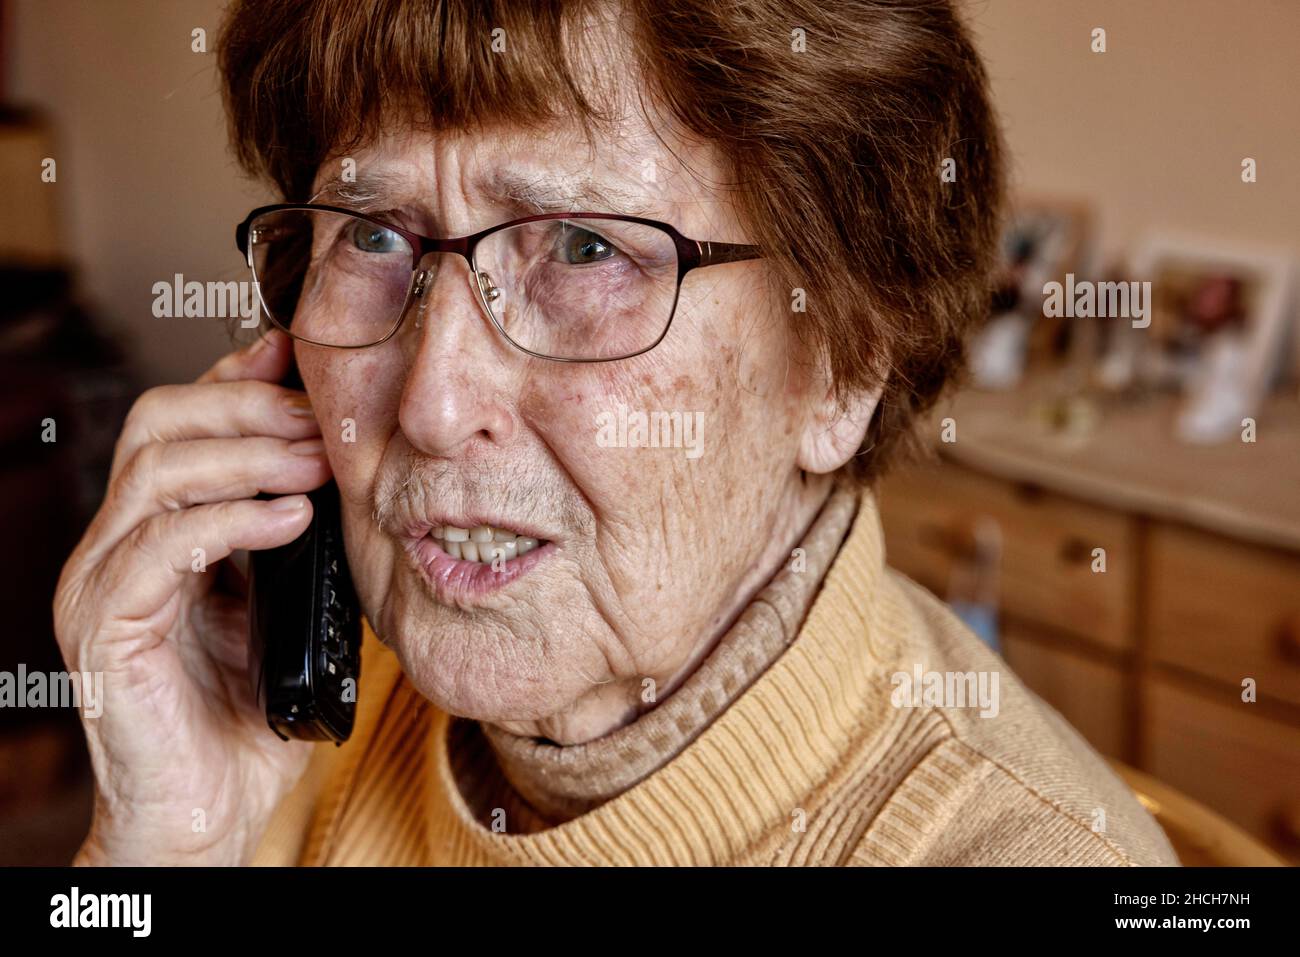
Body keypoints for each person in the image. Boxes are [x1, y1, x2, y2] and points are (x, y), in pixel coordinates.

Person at [54, 0, 1178, 866]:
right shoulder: (280, 712)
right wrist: (156, 849)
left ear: (842, 364)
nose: (433, 407)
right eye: (373, 236)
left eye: (585, 249)